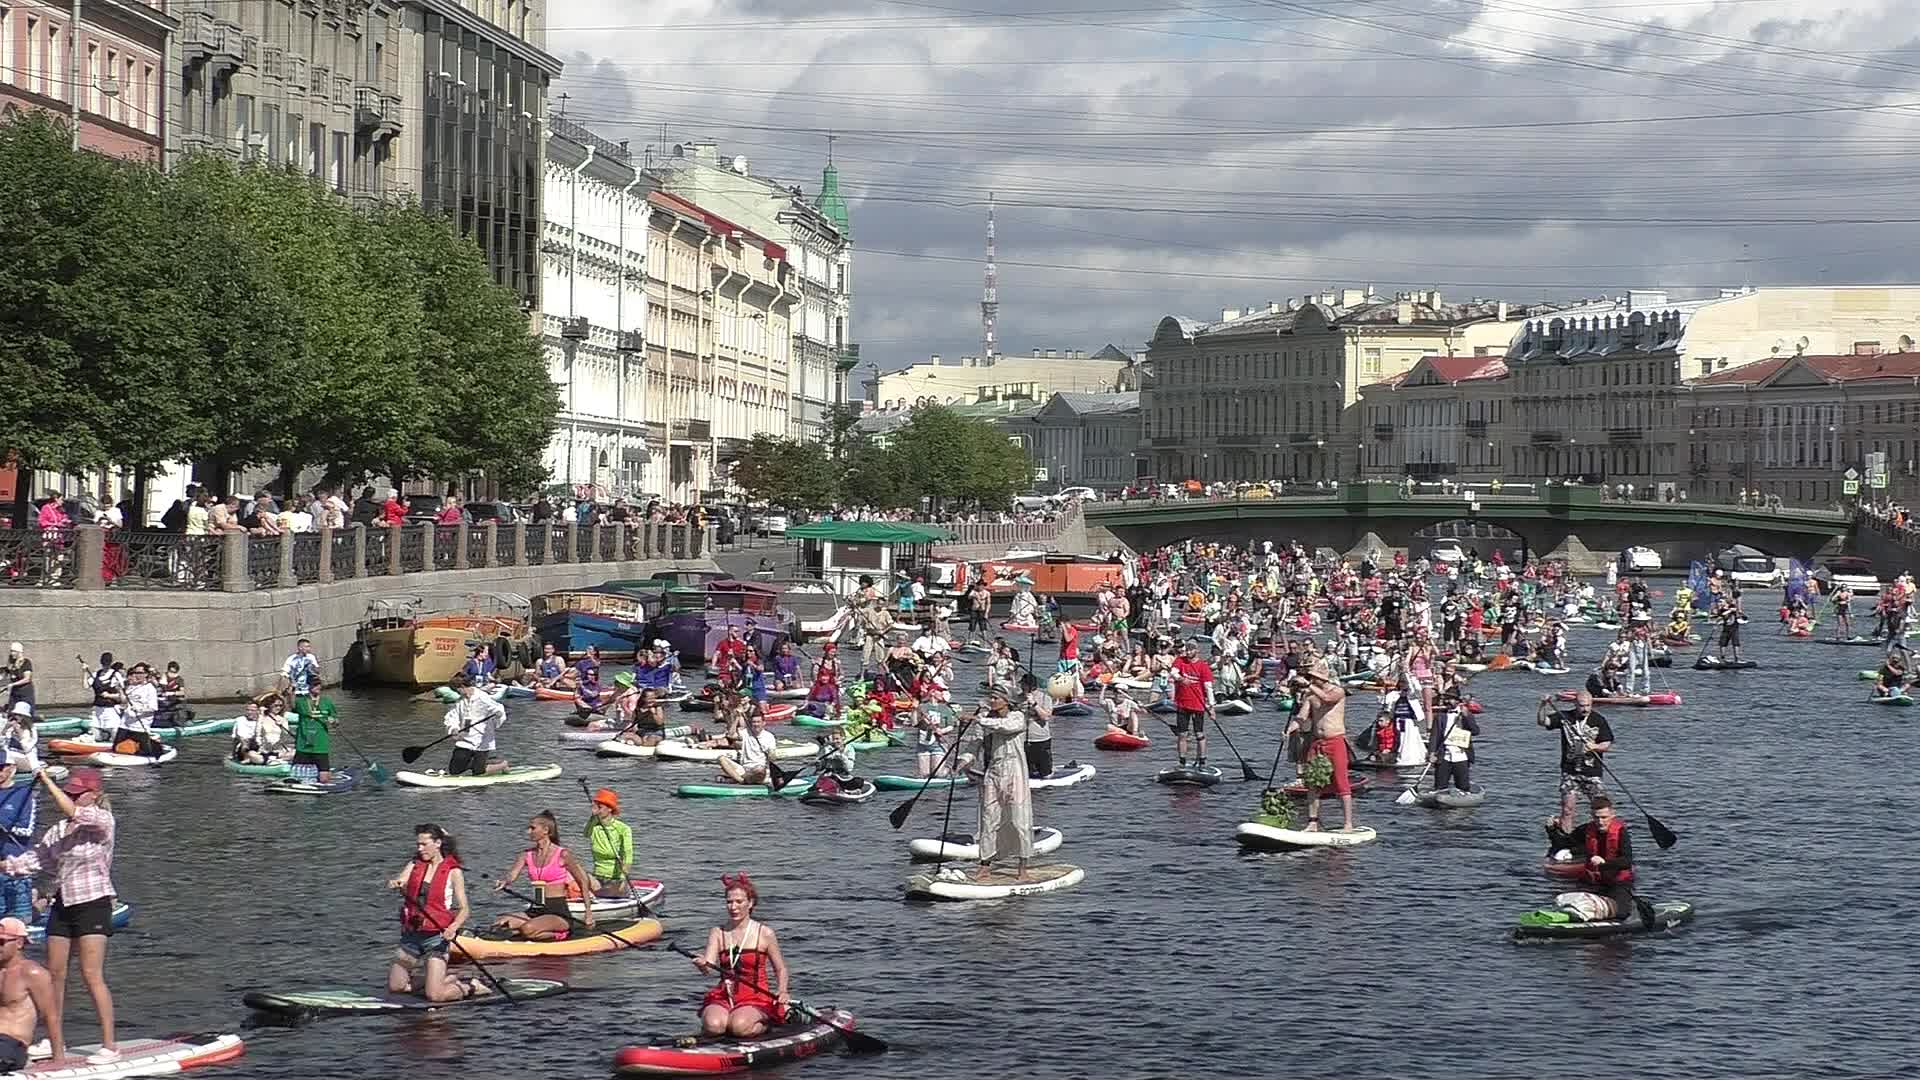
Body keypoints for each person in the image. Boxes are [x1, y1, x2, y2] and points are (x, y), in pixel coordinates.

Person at [0, 769, 117, 1063]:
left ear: (95, 794)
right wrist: (6, 866)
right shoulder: (56, 831)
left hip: (94, 902)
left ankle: (110, 1045)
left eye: (77, 793)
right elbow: (35, 859)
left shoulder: (102, 821)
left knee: (91, 975)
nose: (71, 796)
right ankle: (56, 1042)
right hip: (64, 903)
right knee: (54, 975)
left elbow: (75, 812)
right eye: (70, 791)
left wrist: (48, 782)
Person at [385, 824, 489, 1002]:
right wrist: (396, 882)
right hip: (412, 934)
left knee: (435, 995)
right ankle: (445, 980)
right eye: (418, 844)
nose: (420, 849)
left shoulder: (453, 871)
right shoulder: (414, 863)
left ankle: (472, 986)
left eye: (424, 844)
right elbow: (402, 879)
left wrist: (454, 927)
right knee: (397, 987)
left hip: (437, 938)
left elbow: (464, 909)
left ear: (438, 843)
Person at [691, 874, 789, 1038]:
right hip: (725, 995)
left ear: (750, 903)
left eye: (739, 902)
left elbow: (780, 969)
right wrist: (701, 964)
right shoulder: (718, 932)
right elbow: (708, 967)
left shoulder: (764, 933)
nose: (733, 907)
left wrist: (782, 991)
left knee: (739, 1027)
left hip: (755, 996)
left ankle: (767, 1024)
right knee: (714, 1026)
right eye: (729, 902)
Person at [1543, 796, 1651, 925]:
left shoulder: (1621, 832)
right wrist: (1551, 830)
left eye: (1604, 817)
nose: (1600, 822)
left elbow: (1626, 861)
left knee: (1622, 913)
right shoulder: (1587, 829)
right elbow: (1563, 843)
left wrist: (1605, 863)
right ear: (1592, 816)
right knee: (1574, 905)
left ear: (1612, 814)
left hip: (1617, 883)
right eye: (1596, 817)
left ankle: (1620, 907)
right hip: (1592, 882)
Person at [964, 688, 1033, 882]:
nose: (992, 701)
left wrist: (977, 719)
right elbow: (975, 743)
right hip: (993, 773)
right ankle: (984, 865)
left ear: (1006, 701)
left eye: (996, 698)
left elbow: (1006, 727)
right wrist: (963, 761)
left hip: (1016, 774)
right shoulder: (985, 719)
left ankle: (1023, 868)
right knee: (988, 818)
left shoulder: (1018, 717)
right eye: (991, 697)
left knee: (1020, 820)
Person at [490, 812, 595, 940]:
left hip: (557, 912)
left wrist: (588, 912)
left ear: (545, 830)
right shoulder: (526, 854)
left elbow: (582, 880)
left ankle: (560, 934)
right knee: (499, 923)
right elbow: (512, 875)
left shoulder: (563, 854)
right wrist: (504, 882)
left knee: (527, 929)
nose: (528, 831)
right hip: (537, 908)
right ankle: (524, 934)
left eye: (532, 828)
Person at [1284, 660, 1357, 833]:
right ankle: (1313, 822)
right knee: (1312, 783)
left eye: (1313, 677)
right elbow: (1302, 717)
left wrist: (1308, 685)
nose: (1310, 679)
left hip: (1336, 741)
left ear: (1321, 678)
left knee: (1341, 782)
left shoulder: (1338, 691)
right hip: (1317, 743)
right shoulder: (1310, 696)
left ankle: (1348, 824)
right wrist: (1289, 730)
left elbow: (1327, 699)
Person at [1538, 691, 1614, 833]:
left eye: (1588, 706)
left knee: (1601, 808)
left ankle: (1603, 835)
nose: (1585, 709)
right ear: (1575, 704)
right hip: (1570, 771)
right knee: (1568, 809)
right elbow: (1543, 722)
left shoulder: (1599, 720)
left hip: (1592, 772)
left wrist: (1595, 747)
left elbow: (1607, 744)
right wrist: (1543, 705)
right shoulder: (1565, 717)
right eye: (1581, 706)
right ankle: (1566, 838)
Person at [444, 677, 508, 776]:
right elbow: (451, 717)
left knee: (478, 772)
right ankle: (478, 763)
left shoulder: (483, 697)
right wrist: (453, 728)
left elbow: (499, 709)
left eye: (457, 691)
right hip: (465, 739)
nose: (458, 693)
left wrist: (498, 714)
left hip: (482, 740)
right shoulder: (460, 701)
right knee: (454, 771)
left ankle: (502, 764)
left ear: (462, 687)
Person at [1170, 639, 1214, 768]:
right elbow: (1173, 672)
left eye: (1191, 649)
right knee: (1182, 734)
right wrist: (1181, 679)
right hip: (1182, 704)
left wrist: (1211, 707)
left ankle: (1202, 760)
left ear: (1197, 650)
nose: (1188, 652)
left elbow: (1208, 687)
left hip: (1198, 705)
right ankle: (1182, 761)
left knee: (1199, 734)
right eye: (1187, 649)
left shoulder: (1203, 666)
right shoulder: (1180, 661)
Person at [584, 789, 635, 899]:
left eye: (600, 808)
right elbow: (586, 833)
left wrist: (623, 878)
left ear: (610, 809)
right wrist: (592, 817)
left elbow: (628, 854)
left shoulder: (623, 829)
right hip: (597, 877)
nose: (597, 811)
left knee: (611, 892)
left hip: (615, 879)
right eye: (596, 808)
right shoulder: (594, 826)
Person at [1426, 690, 1478, 792]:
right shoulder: (1440, 717)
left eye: (1450, 699)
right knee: (1440, 785)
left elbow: (1475, 731)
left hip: (1461, 756)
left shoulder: (1466, 715)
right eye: (1446, 699)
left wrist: (1466, 716)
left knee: (1463, 785)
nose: (1447, 701)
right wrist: (1431, 753)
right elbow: (1434, 736)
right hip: (1444, 756)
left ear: (1457, 701)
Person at [107, 664, 162, 758]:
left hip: (140, 725)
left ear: (146, 674)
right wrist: (120, 690)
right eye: (136, 673)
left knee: (145, 752)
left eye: (140, 673)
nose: (137, 675)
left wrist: (140, 709)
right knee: (116, 747)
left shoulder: (150, 689)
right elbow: (124, 700)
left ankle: (154, 742)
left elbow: (153, 708)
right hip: (125, 723)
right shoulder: (132, 687)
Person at [718, 711, 778, 786]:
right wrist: (737, 717)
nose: (756, 724)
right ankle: (741, 780)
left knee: (759, 770)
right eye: (754, 722)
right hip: (744, 769)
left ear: (763, 723)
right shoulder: (746, 732)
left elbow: (772, 757)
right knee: (721, 759)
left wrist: (771, 755)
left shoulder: (769, 736)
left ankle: (737, 779)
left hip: (759, 770)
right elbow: (730, 735)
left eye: (758, 722)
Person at [79, 654, 122, 743]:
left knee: (114, 730)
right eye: (103, 662)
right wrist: (85, 672)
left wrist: (110, 695)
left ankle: (114, 742)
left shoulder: (115, 674)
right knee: (95, 732)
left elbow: (123, 693)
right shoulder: (96, 674)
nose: (105, 665)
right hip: (98, 708)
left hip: (111, 708)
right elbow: (86, 686)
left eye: (107, 662)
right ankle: (101, 738)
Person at [1019, 672, 1055, 779]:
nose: (1021, 686)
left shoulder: (1045, 697)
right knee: (1026, 769)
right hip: (1022, 738)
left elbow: (1046, 717)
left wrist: (1034, 704)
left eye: (1023, 684)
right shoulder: (1018, 697)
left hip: (1040, 738)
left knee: (1045, 771)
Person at [280, 638, 320, 710]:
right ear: (300, 647)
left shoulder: (311, 657)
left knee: (310, 708)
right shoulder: (291, 659)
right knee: (296, 708)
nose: (309, 649)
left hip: (309, 689)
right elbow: (284, 674)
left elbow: (317, 671)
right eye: (306, 646)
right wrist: (287, 686)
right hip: (296, 690)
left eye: (309, 646)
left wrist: (312, 665)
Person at [3, 645, 30, 719]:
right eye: (11, 651)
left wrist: (12, 684)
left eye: (13, 651)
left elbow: (27, 679)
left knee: (23, 716)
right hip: (14, 693)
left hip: (25, 693)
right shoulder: (12, 664)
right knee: (11, 714)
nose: (11, 653)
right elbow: (5, 676)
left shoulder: (26, 662)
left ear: (19, 652)